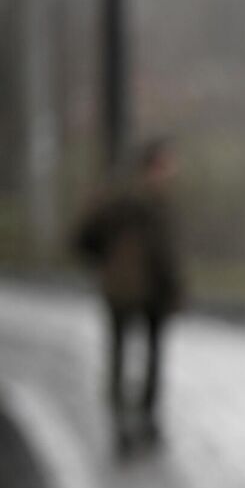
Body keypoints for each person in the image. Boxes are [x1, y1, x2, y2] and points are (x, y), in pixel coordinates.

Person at [70, 136, 183, 451]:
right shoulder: (147, 200)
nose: (173, 171)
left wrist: (104, 264)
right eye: (167, 164)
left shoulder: (114, 196)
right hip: (142, 288)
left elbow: (83, 236)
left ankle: (129, 419)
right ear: (154, 165)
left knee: (130, 354)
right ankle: (138, 419)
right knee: (140, 354)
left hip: (125, 287)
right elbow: (164, 251)